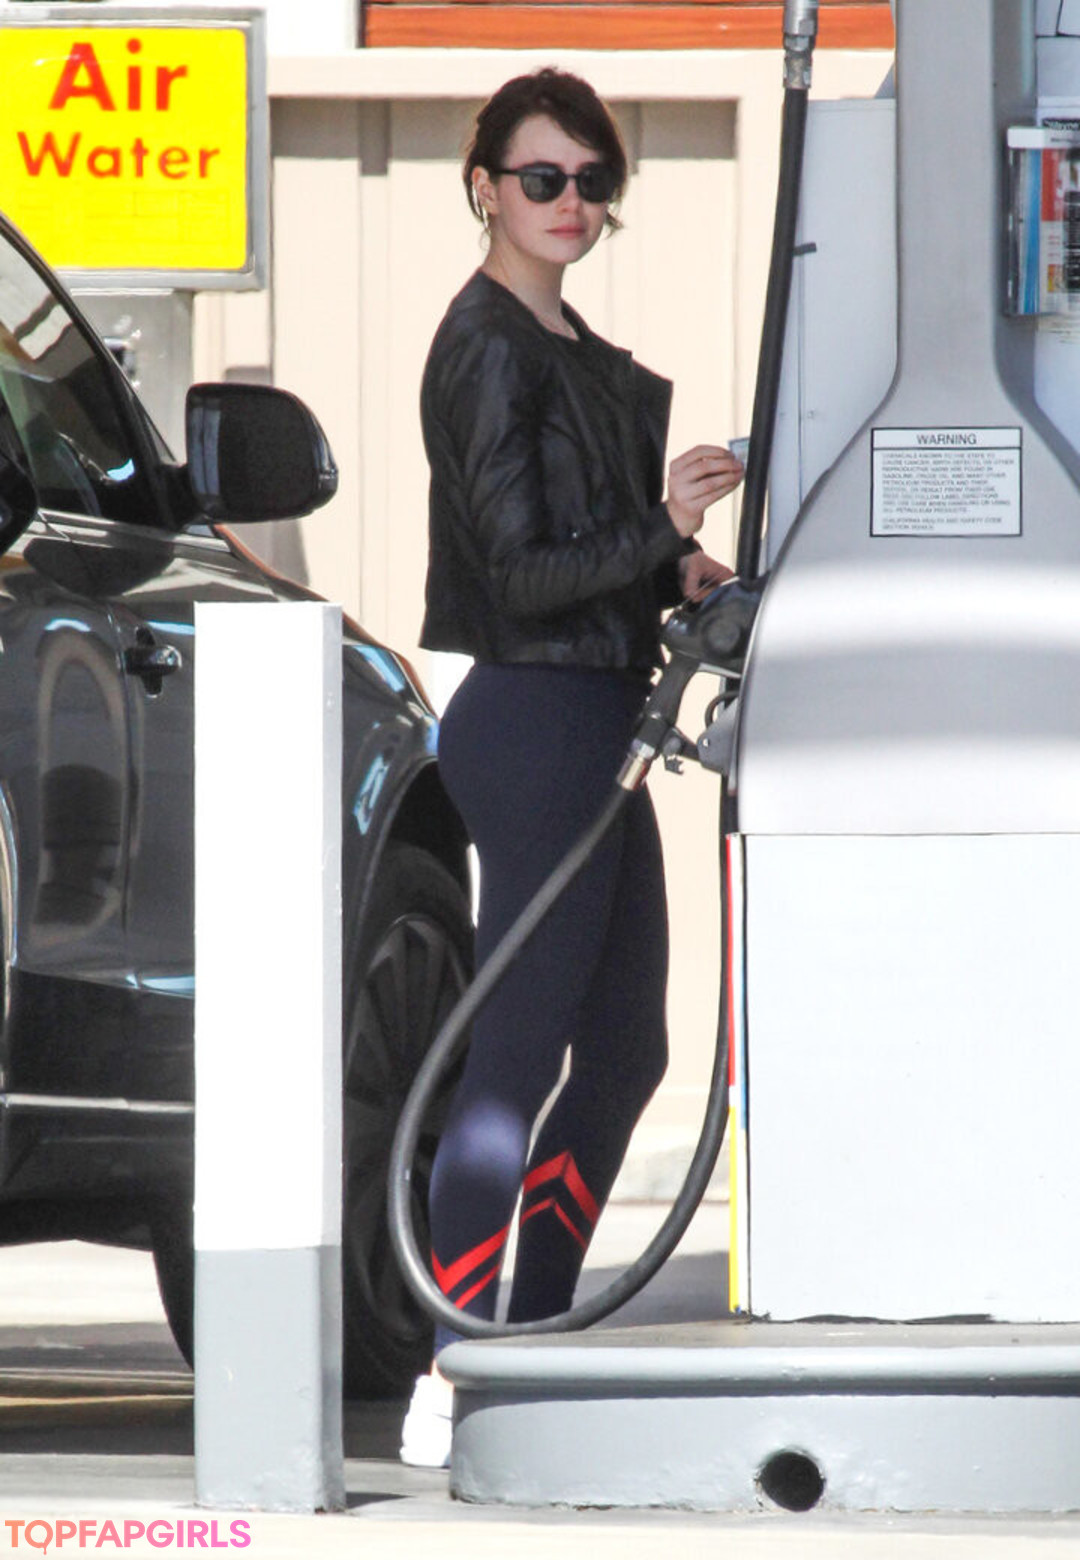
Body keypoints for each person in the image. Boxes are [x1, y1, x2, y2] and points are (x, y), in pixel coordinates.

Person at [400, 66, 744, 1468]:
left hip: (594, 718)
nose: (571, 203)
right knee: (516, 1056)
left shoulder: (566, 343)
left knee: (627, 1051)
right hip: (537, 717)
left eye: (593, 182)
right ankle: (456, 1362)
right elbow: (523, 572)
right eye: (543, 178)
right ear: (485, 184)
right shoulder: (488, 345)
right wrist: (660, 528)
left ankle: (528, 1328)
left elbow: (586, 561)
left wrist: (682, 572)